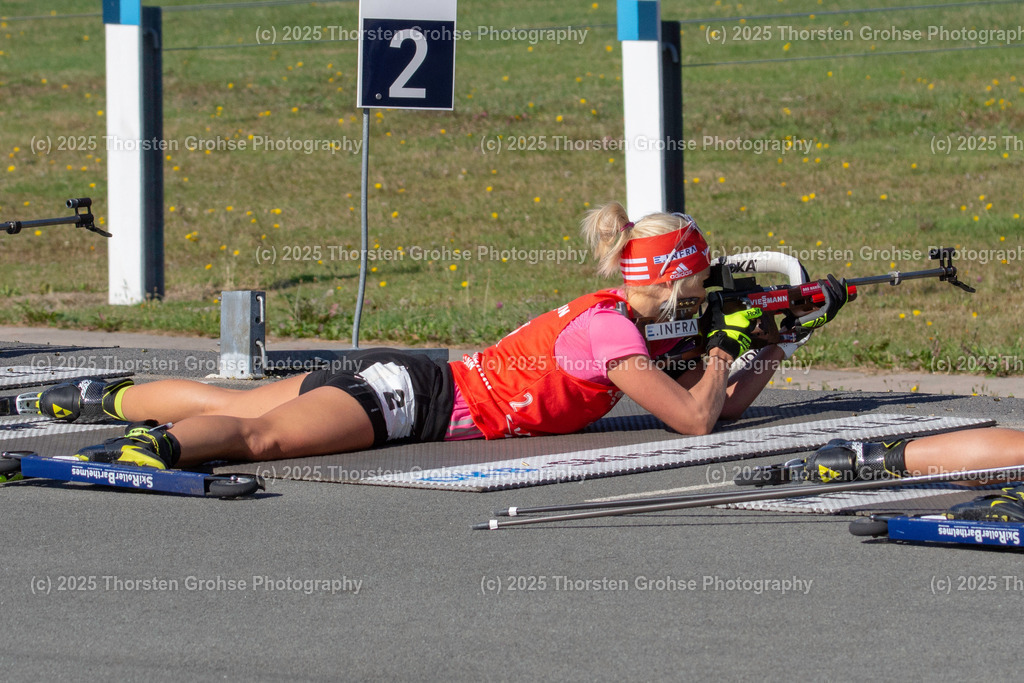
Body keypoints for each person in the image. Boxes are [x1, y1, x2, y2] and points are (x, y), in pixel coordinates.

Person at [34, 203, 848, 470]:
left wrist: (776, 343)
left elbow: (718, 404)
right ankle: (156, 447)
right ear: (671, 284)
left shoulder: (619, 315)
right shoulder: (612, 336)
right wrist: (725, 344)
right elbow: (696, 418)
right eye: (701, 292)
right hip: (417, 398)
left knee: (229, 399)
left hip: (414, 376)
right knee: (258, 435)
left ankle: (100, 395)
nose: (706, 305)